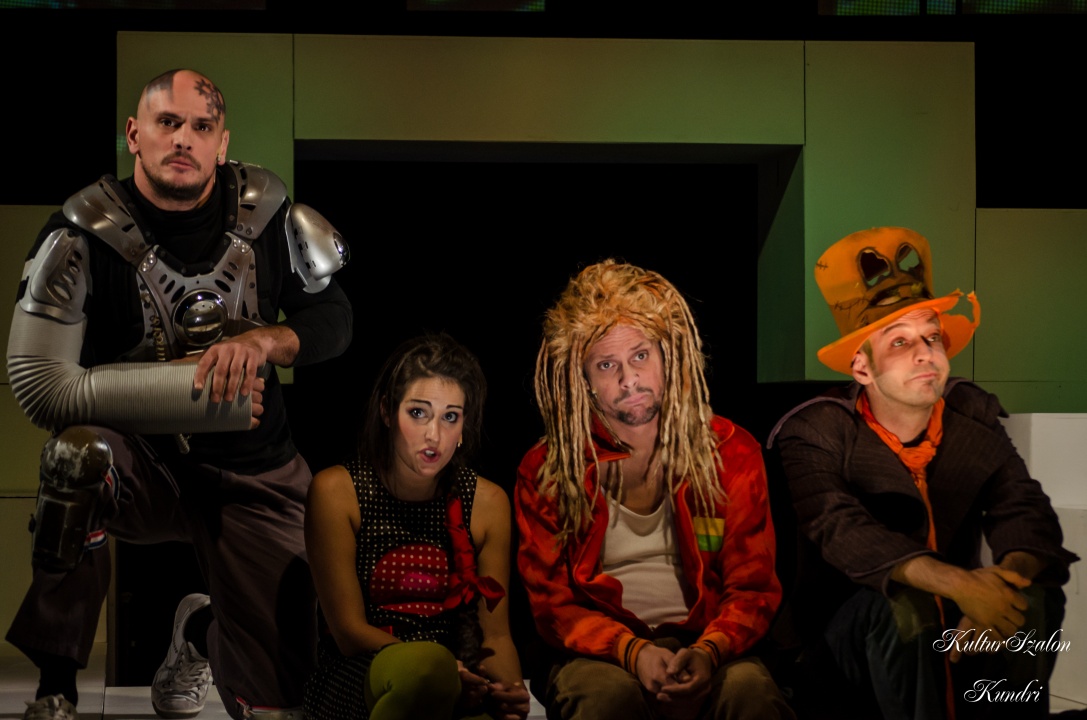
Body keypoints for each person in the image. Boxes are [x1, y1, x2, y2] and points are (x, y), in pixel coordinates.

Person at [6, 69, 352, 720]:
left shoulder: (267, 214)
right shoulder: (82, 230)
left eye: (201, 126)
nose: (183, 139)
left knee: (283, 699)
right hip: (141, 465)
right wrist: (193, 391)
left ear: (222, 143)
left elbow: (334, 319)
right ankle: (56, 691)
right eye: (167, 122)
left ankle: (198, 634)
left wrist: (267, 341)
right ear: (134, 134)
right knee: (75, 458)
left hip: (254, 468)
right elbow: (39, 384)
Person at [769, 227, 1078, 719]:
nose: (925, 353)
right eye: (900, 342)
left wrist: (1002, 587)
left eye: (932, 337)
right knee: (905, 604)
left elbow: (1025, 509)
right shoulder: (817, 431)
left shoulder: (970, 416)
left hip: (954, 624)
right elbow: (843, 530)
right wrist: (961, 586)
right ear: (862, 369)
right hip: (850, 644)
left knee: (1032, 597)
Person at [515, 261, 794, 720]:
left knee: (751, 694)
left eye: (640, 356)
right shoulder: (550, 467)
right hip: (601, 654)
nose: (629, 380)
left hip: (706, 641)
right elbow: (553, 605)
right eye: (607, 365)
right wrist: (633, 652)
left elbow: (753, 587)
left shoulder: (731, 450)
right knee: (605, 700)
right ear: (584, 379)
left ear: (667, 355)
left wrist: (709, 651)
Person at [304, 333, 530, 720]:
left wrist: (509, 691)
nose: (434, 435)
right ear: (387, 411)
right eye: (418, 413)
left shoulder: (487, 502)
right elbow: (348, 632)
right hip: (360, 675)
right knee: (428, 669)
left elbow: (496, 634)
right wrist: (442, 671)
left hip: (458, 679)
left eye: (450, 417)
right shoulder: (338, 491)